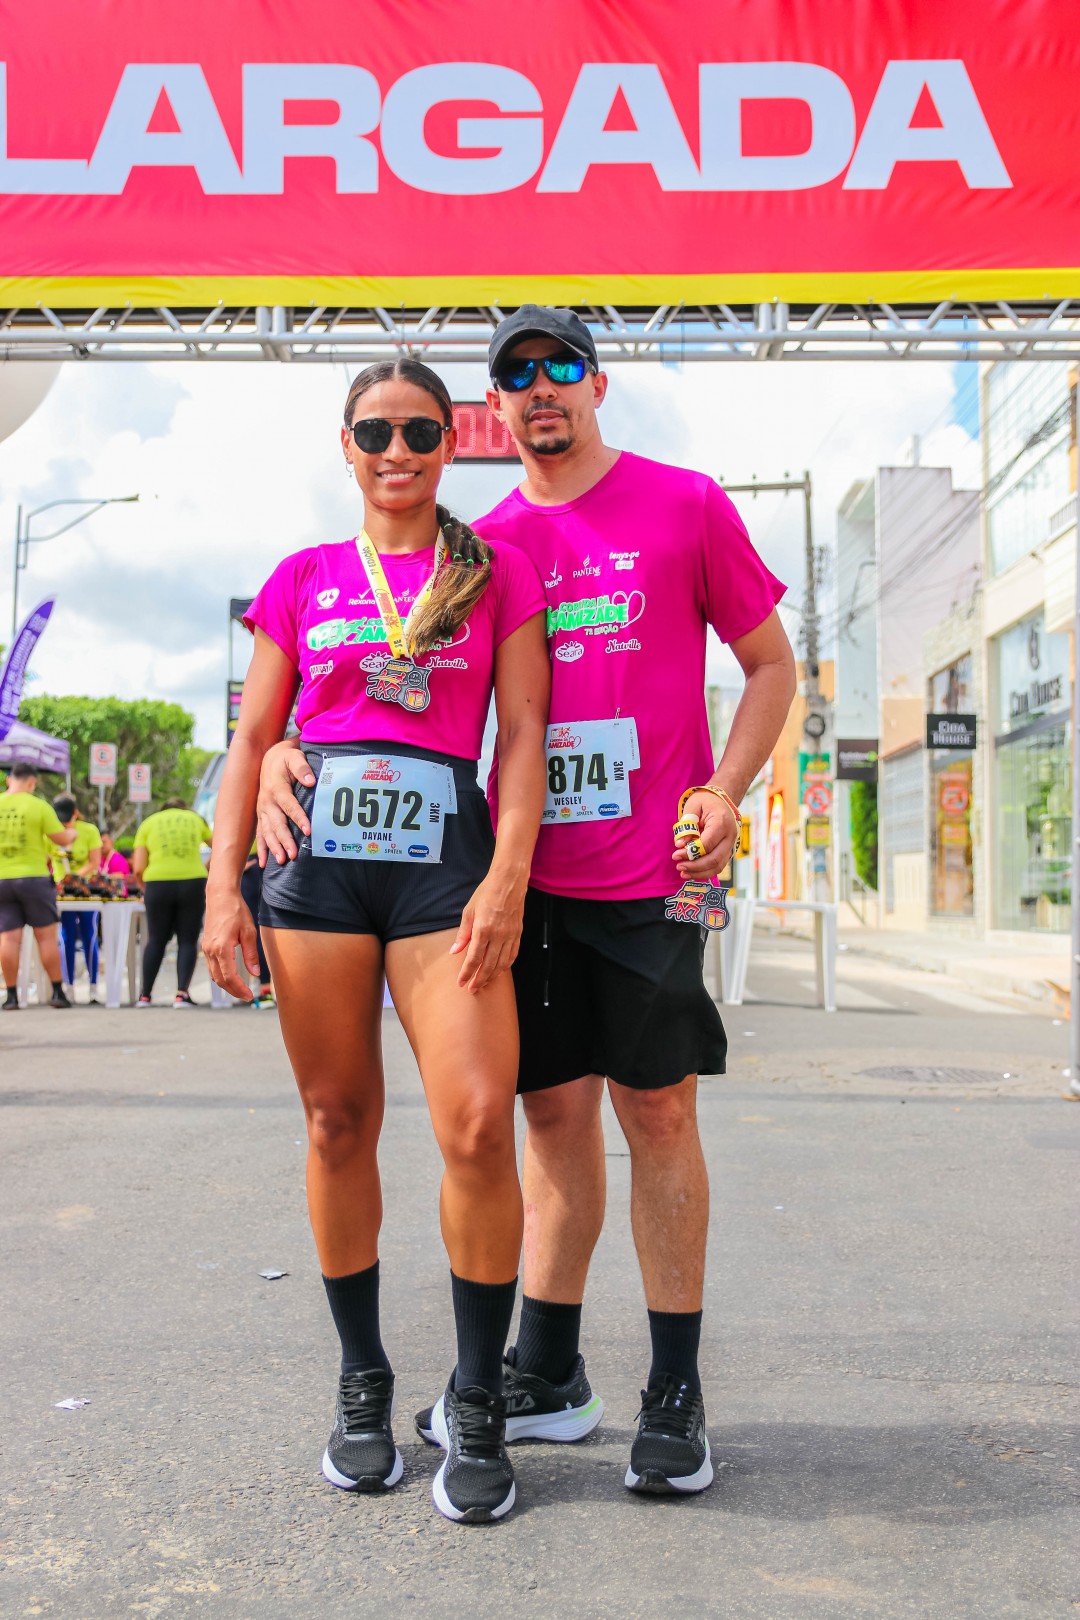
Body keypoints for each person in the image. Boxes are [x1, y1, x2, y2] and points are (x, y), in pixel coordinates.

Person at [258, 306, 796, 1497]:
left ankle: (676, 1393)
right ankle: (547, 1371)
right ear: (493, 411)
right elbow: (390, 692)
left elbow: (772, 664)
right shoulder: (477, 550)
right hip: (509, 880)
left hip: (649, 871)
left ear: (597, 385)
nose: (540, 387)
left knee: (659, 1118)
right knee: (546, 1123)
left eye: (561, 367)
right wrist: (289, 749)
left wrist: (724, 787)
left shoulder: (685, 504)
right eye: (516, 374)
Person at [202, 358, 549, 1524]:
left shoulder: (494, 573)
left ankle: (478, 1395)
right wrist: (223, 889)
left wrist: (508, 874)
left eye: (418, 431)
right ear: (344, 446)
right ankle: (362, 1381)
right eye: (374, 432)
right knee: (336, 1120)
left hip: (447, 865)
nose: (396, 451)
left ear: (451, 441)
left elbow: (523, 733)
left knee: (477, 1121)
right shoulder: (302, 577)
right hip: (315, 866)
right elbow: (253, 737)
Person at [0, 761, 76, 1009]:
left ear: (9, 779)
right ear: (32, 782)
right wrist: (72, 833)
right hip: (33, 878)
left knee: (9, 938)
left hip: (2, 879)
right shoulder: (38, 806)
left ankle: (11, 996)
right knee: (45, 937)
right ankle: (57, 992)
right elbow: (61, 839)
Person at [132, 797, 212, 1007]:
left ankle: (145, 996)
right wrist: (206, 868)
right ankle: (181, 994)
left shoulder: (149, 822)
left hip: (157, 882)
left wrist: (144, 888)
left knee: (156, 939)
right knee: (188, 939)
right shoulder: (195, 819)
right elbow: (220, 846)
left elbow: (138, 867)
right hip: (193, 880)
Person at [51, 794, 103, 1003]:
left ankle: (93, 986)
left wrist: (74, 878)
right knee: (67, 937)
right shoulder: (52, 833)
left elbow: (94, 862)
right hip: (63, 894)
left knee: (90, 935)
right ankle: (68, 986)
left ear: (75, 813)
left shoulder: (89, 831)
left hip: (85, 892)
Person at [239, 846, 274, 1007]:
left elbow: (220, 844)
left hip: (250, 865)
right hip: (277, 861)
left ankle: (265, 990)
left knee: (256, 930)